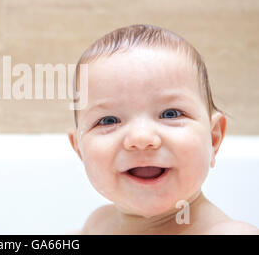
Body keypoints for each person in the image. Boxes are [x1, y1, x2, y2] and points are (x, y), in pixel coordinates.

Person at [67, 24, 258, 234]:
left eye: (170, 114)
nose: (141, 138)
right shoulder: (97, 225)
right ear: (80, 151)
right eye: (109, 120)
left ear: (213, 139)